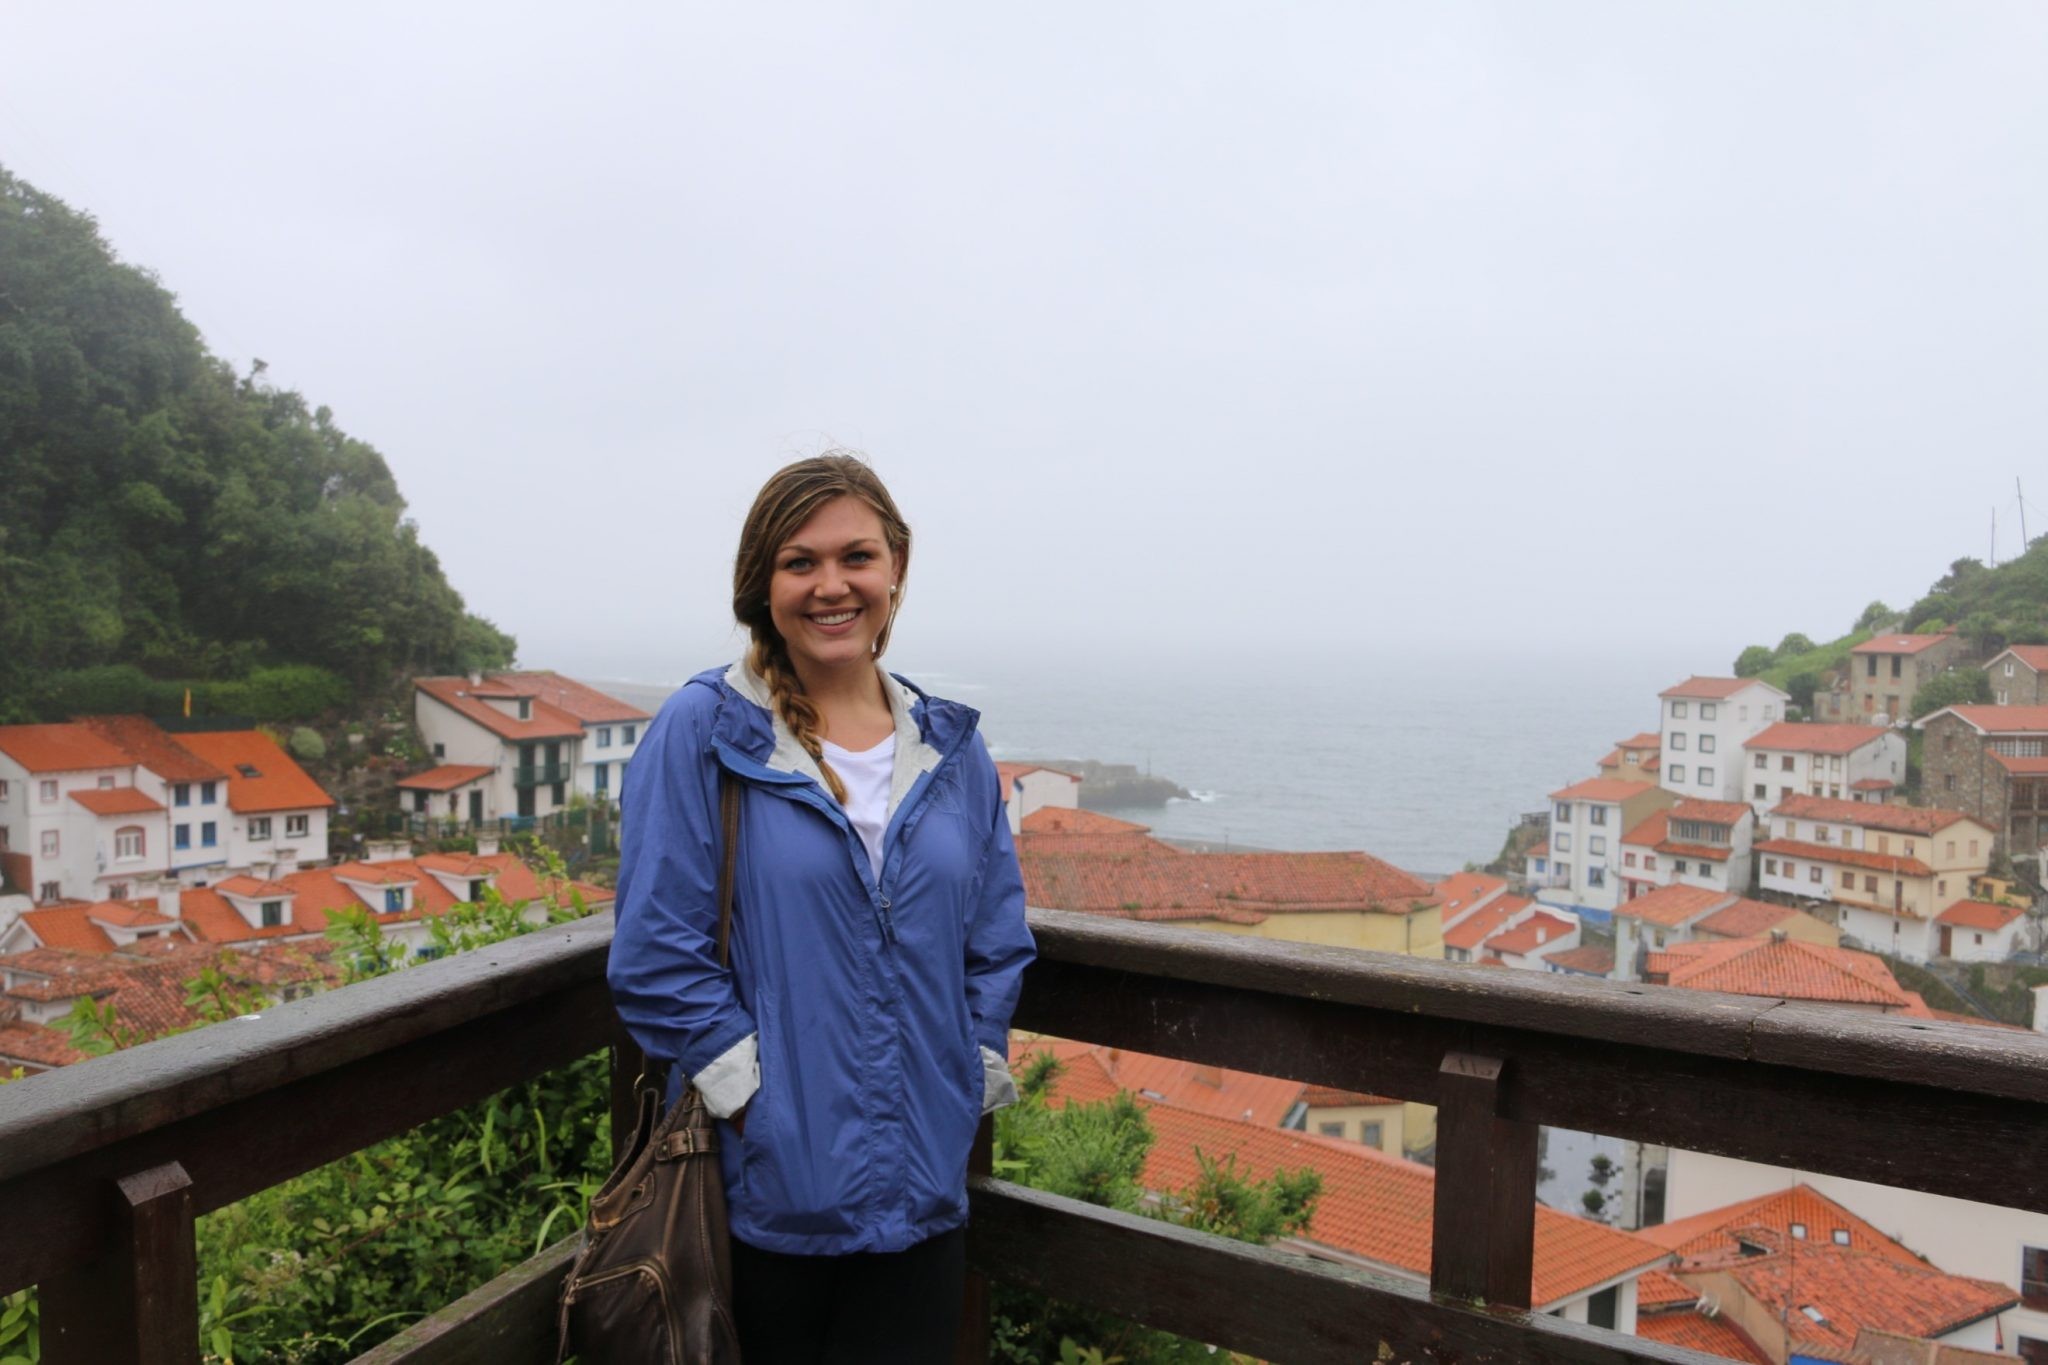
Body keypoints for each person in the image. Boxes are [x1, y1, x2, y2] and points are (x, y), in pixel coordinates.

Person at [609, 453, 1036, 1364]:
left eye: (857, 557)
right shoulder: (706, 728)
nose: (831, 585)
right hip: (763, 1200)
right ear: (761, 584)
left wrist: (972, 1070)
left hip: (924, 1194)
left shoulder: (949, 745)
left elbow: (996, 936)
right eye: (800, 562)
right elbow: (655, 951)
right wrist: (753, 1103)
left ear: (896, 570)